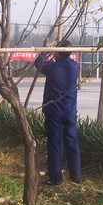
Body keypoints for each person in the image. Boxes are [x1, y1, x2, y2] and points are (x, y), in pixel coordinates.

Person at [34, 40, 81, 185]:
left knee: (55, 145)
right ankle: (76, 176)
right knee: (72, 144)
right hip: (70, 113)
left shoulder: (53, 68)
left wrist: (45, 50)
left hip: (54, 113)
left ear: (58, 51)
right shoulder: (75, 67)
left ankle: (56, 179)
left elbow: (38, 62)